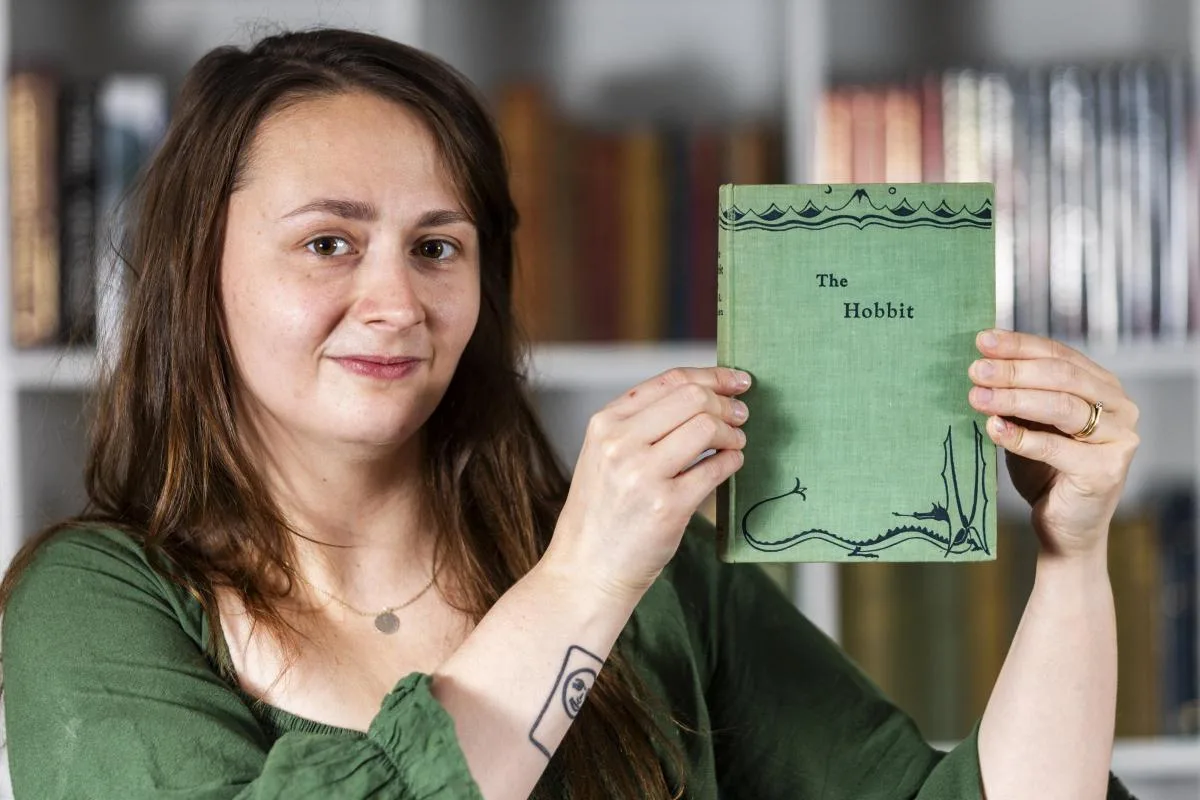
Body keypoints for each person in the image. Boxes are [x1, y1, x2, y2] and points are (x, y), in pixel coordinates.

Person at [0, 28, 1141, 800]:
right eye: (328, 242)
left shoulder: (661, 575)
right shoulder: (92, 603)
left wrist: (1073, 553)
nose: (396, 301)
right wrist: (586, 579)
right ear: (196, 275)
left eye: (437, 247)